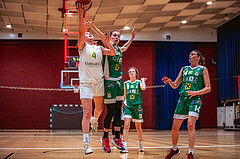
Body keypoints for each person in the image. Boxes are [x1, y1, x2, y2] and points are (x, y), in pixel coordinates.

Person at [88, 23, 136, 153]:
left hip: (119, 82)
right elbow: (102, 36)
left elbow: (125, 47)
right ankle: (105, 138)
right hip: (109, 82)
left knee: (117, 113)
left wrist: (131, 38)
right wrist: (93, 27)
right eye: (114, 35)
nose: (117, 37)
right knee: (109, 112)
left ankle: (117, 138)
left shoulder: (119, 50)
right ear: (109, 37)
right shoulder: (105, 47)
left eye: (118, 36)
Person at [76, 3, 116, 155]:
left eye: (90, 34)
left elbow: (112, 52)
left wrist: (104, 39)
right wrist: (80, 14)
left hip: (99, 83)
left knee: (99, 109)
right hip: (86, 83)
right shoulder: (82, 47)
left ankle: (95, 120)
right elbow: (81, 32)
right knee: (86, 112)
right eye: (88, 34)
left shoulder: (99, 48)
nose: (89, 34)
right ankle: (86, 143)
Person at [162, 50, 211, 159]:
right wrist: (170, 81)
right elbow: (175, 85)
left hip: (195, 99)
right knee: (175, 127)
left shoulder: (203, 69)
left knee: (190, 125)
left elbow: (208, 88)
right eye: (189, 54)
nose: (190, 55)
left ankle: (190, 153)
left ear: (198, 58)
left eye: (193, 54)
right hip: (182, 99)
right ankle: (174, 149)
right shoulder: (184, 69)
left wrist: (196, 92)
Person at [121, 67, 147, 153]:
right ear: (128, 74)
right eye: (130, 72)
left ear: (136, 74)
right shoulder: (126, 83)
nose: (132, 73)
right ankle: (124, 145)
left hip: (137, 106)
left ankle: (140, 143)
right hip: (128, 106)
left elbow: (143, 88)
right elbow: (124, 95)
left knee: (138, 127)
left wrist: (143, 80)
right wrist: (122, 106)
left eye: (133, 72)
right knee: (126, 125)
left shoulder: (139, 82)